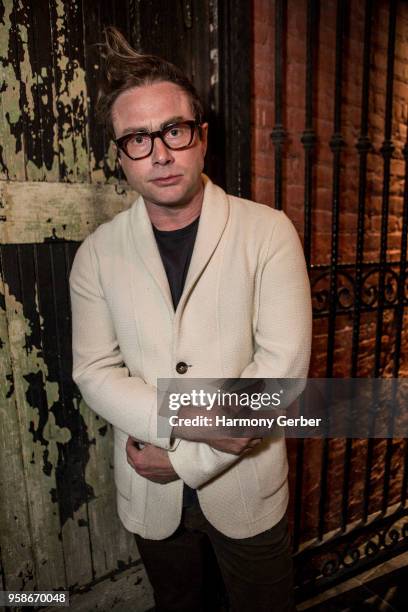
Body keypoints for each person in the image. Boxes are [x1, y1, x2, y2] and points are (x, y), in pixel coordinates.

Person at [70, 26, 312, 612]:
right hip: (151, 496)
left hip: (244, 484)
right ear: (120, 156)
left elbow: (279, 376)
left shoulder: (269, 231)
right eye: (137, 139)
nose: (159, 153)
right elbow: (95, 372)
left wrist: (180, 453)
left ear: (201, 138)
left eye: (173, 131)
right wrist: (198, 422)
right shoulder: (97, 253)